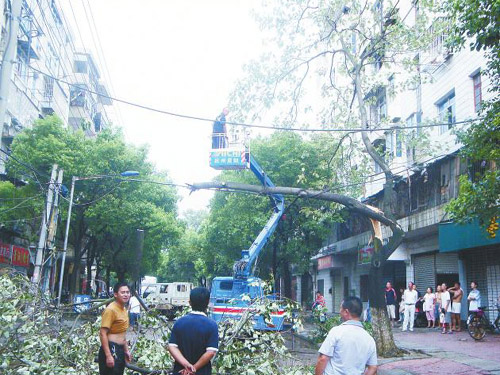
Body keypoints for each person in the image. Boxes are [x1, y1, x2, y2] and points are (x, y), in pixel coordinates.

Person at [315, 296, 377, 375]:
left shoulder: (336, 331)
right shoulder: (369, 339)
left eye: (341, 308)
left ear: (346, 312)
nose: (339, 311)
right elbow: (373, 367)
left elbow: (322, 359)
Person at [168, 287, 219, 375]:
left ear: (190, 302)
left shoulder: (179, 322)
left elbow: (172, 347)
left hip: (180, 371)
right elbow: (211, 352)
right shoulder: (212, 325)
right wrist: (193, 368)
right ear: (208, 303)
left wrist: (186, 364)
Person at [98, 282, 132, 375]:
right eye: (123, 292)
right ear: (116, 294)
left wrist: (126, 350)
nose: (126, 294)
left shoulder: (124, 309)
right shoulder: (110, 310)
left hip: (120, 349)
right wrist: (108, 355)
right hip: (111, 349)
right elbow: (102, 333)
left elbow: (122, 332)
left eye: (127, 292)